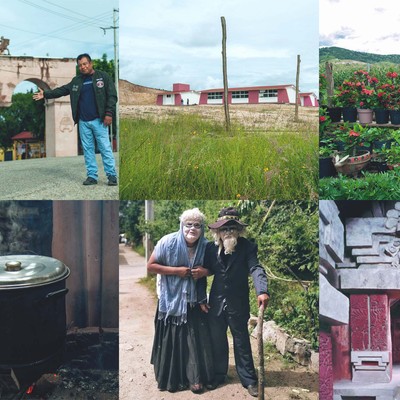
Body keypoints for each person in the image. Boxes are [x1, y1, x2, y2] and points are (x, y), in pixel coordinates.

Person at [200, 207, 270, 398]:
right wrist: (200, 298)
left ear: (239, 230)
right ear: (217, 232)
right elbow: (202, 272)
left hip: (238, 302)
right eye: (224, 228)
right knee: (217, 340)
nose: (228, 232)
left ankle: (249, 379)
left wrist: (262, 290)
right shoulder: (209, 248)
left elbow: (255, 267)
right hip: (215, 302)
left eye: (232, 228)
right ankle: (218, 374)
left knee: (241, 341)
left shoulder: (247, 247)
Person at [147, 208, 214, 393]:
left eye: (197, 225)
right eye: (188, 224)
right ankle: (172, 379)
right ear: (182, 225)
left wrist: (205, 272)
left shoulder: (206, 246)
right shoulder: (167, 242)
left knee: (193, 340)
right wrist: (176, 271)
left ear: (202, 229)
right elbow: (151, 266)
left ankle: (195, 378)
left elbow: (215, 268)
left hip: (193, 301)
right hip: (171, 301)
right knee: (171, 340)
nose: (192, 229)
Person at [33, 53, 118, 186]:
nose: (83, 67)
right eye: (80, 65)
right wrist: (46, 94)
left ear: (91, 64)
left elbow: (112, 96)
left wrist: (109, 113)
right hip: (83, 121)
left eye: (85, 64)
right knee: (88, 150)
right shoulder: (76, 81)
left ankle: (112, 176)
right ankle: (92, 176)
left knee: (105, 148)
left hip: (99, 120)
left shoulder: (103, 77)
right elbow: (62, 90)